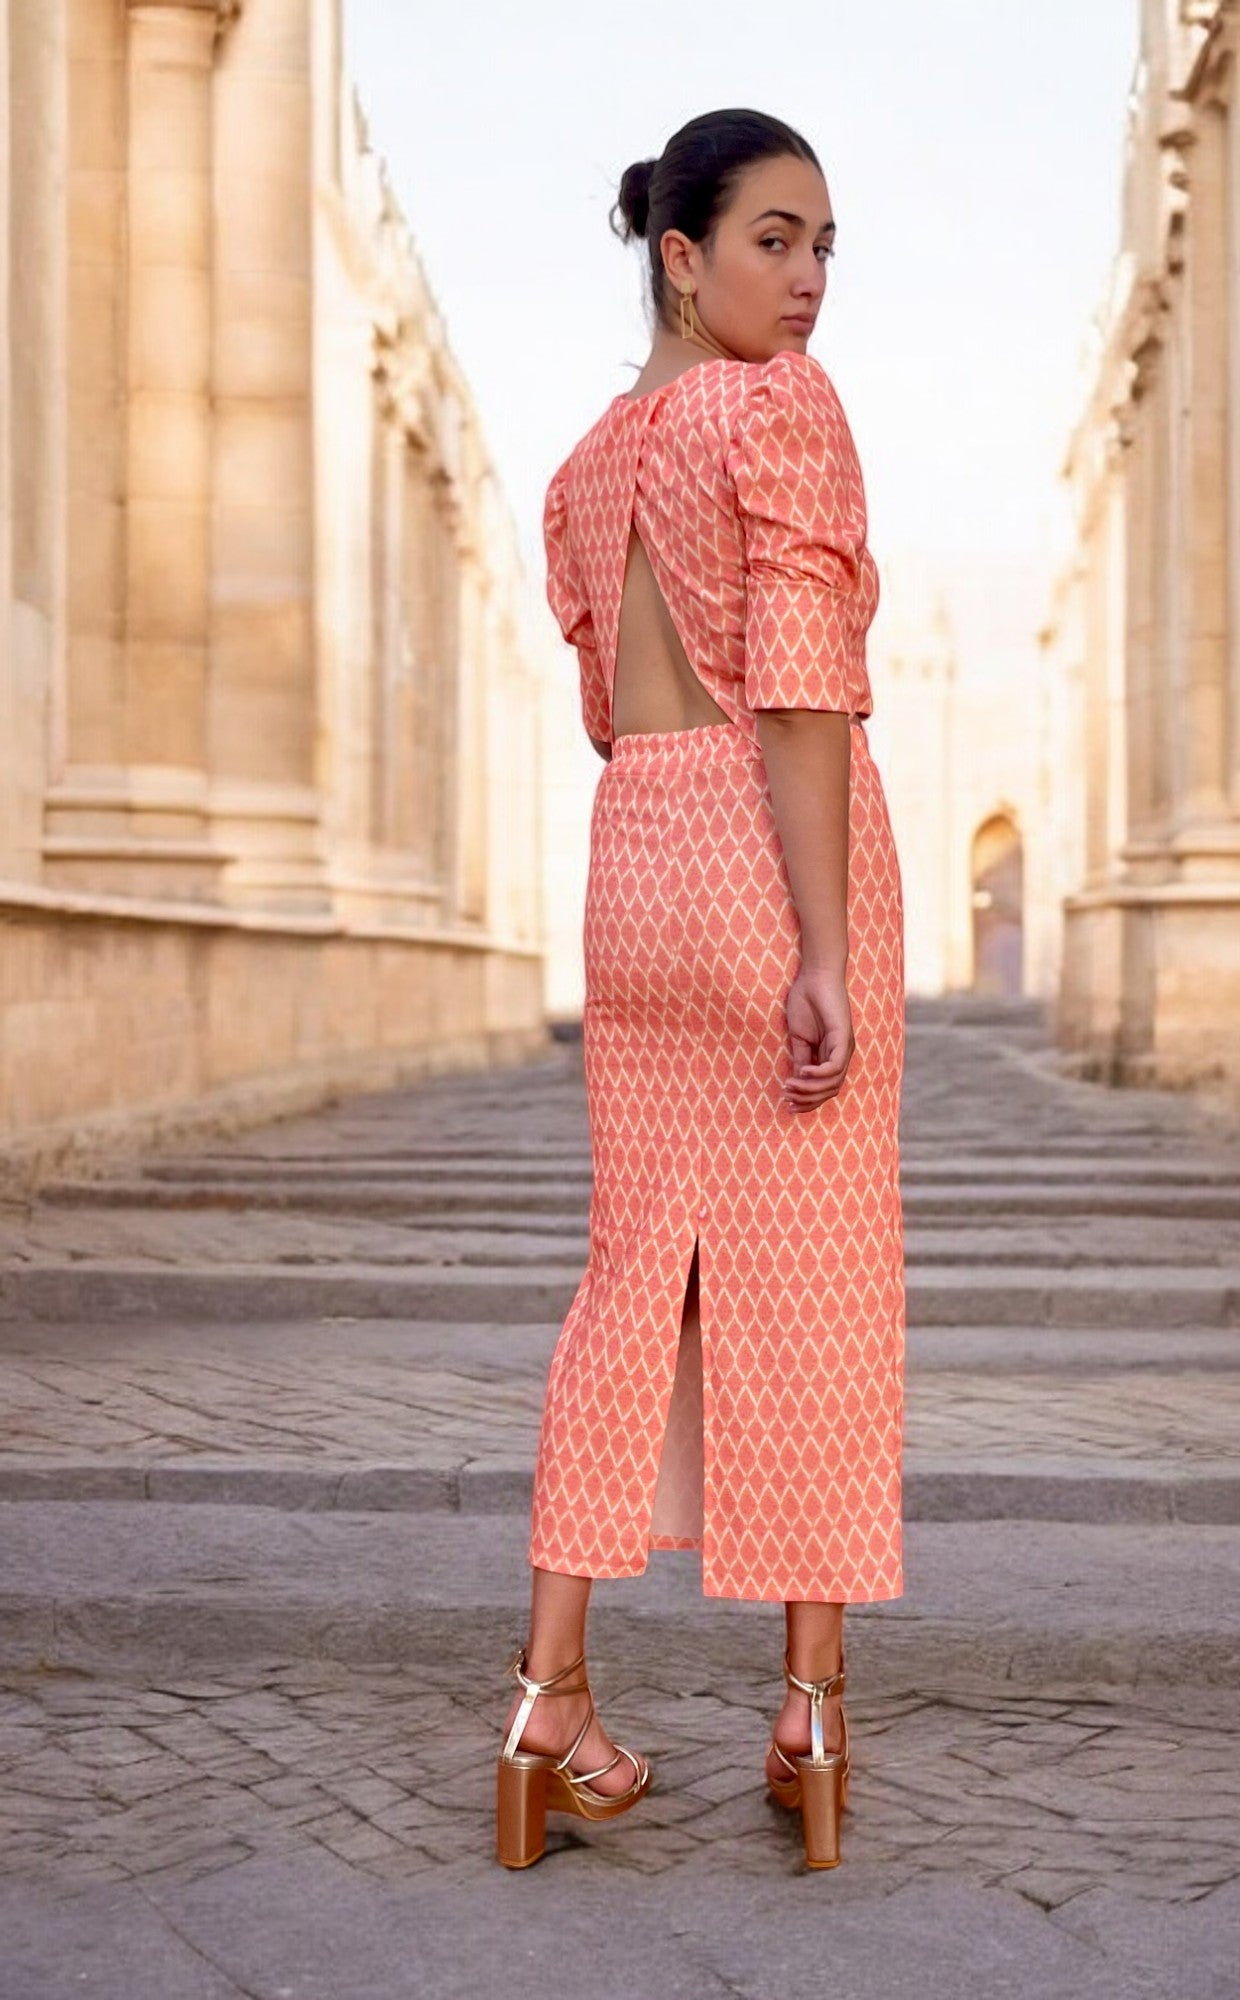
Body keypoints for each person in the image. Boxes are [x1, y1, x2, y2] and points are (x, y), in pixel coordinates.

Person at [496, 107, 906, 1873]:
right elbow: (804, 686)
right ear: (680, 252)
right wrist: (819, 942)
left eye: (827, 248)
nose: (809, 282)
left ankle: (547, 1701)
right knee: (811, 1287)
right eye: (773, 241)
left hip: (634, 857)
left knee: (629, 1283)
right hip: (767, 843)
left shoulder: (589, 460)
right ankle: (809, 1709)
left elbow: (605, 706)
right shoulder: (779, 409)